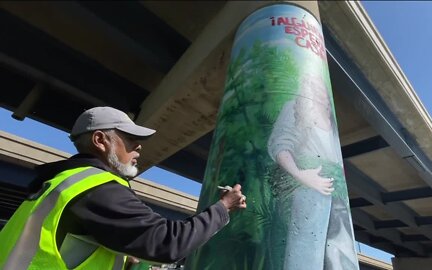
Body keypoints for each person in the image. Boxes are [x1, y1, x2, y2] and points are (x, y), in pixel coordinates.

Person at [0, 106, 247, 269]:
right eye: (130, 139)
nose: (139, 147)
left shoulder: (60, 183)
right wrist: (224, 207)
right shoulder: (96, 187)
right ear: (100, 140)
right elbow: (168, 243)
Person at [268, 74, 358, 269]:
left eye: (320, 84)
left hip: (338, 192)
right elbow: (280, 144)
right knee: (306, 253)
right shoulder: (295, 107)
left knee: (342, 255)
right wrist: (301, 175)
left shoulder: (332, 120)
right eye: (311, 84)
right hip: (311, 189)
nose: (317, 88)